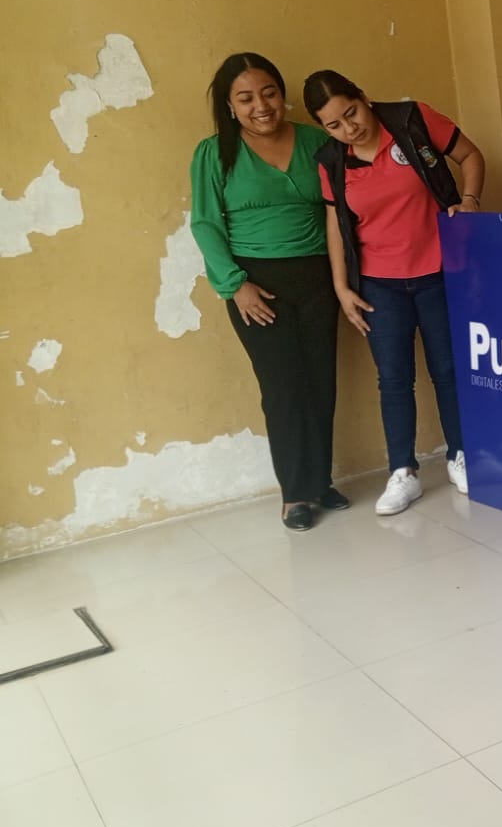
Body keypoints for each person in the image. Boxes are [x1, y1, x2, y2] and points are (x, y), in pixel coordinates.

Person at [304, 70, 486, 516]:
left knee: (449, 369)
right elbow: (335, 225)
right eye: (334, 125)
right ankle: (403, 472)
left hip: (440, 271)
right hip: (379, 285)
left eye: (352, 113)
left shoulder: (411, 120)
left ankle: (461, 456)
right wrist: (341, 287)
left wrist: (470, 201)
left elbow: (470, 155)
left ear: (364, 98)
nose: (349, 129)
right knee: (394, 379)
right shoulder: (331, 161)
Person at [189, 53, 345, 532]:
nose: (261, 106)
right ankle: (295, 494)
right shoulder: (214, 153)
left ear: (282, 94)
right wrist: (236, 286)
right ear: (230, 106)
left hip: (318, 277)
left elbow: (342, 208)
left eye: (269, 93)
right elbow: (206, 224)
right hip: (256, 284)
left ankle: (320, 482)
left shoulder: (318, 141)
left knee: (320, 382)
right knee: (283, 389)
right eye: (246, 98)